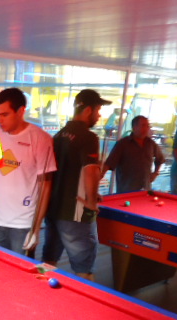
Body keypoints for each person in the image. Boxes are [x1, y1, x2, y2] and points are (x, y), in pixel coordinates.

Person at [0, 87, 56, 255]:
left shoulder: (41, 139)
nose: (0, 120)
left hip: (23, 225)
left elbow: (45, 187)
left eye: (5, 115)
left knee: (19, 269)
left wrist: (36, 228)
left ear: (21, 111)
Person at [42, 89, 111, 281]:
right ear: (88, 110)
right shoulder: (89, 137)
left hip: (53, 209)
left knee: (48, 259)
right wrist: (91, 202)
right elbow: (90, 171)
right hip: (75, 212)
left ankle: (38, 289)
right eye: (98, 110)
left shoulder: (58, 136)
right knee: (84, 267)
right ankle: (85, 296)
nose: (99, 115)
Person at [102, 115, 166, 193]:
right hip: (126, 190)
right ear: (134, 127)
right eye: (143, 125)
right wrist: (99, 176)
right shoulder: (123, 144)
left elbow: (160, 159)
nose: (146, 128)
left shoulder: (151, 144)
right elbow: (109, 163)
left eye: (147, 126)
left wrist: (155, 173)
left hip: (145, 190)